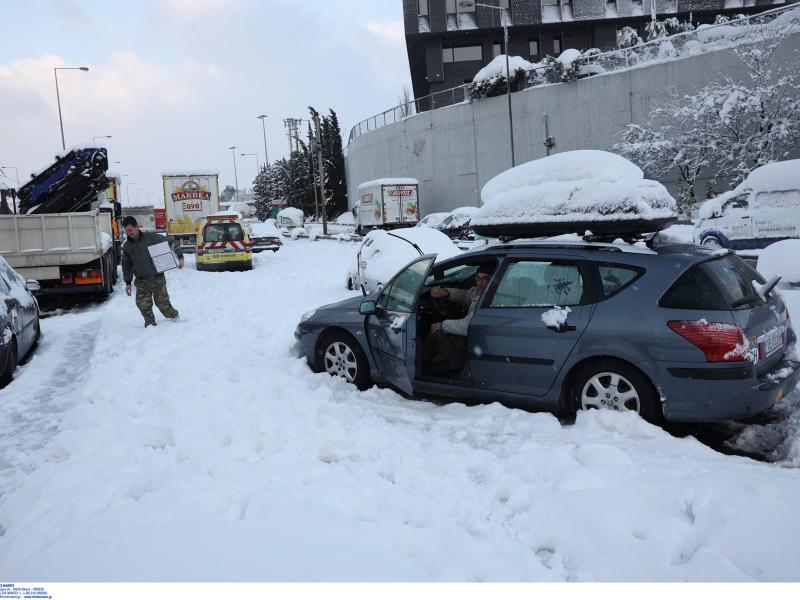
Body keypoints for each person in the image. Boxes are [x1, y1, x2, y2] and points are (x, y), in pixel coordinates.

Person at [423, 264, 494, 373]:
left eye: (485, 279)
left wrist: (442, 325)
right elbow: (467, 296)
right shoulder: (482, 292)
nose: (480, 282)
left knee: (438, 336)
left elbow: (468, 326)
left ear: (493, 279)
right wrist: (446, 293)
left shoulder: (491, 297)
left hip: (480, 339)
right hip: (481, 338)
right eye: (478, 278)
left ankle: (434, 371)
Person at [121, 216, 184, 327]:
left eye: (130, 230)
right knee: (143, 305)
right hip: (141, 281)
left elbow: (171, 241)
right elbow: (126, 266)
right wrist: (128, 283)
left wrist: (180, 256)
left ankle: (175, 319)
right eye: (126, 231)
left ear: (136, 227)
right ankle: (150, 326)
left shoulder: (151, 238)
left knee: (162, 304)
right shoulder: (127, 247)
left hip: (157, 279)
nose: (128, 233)